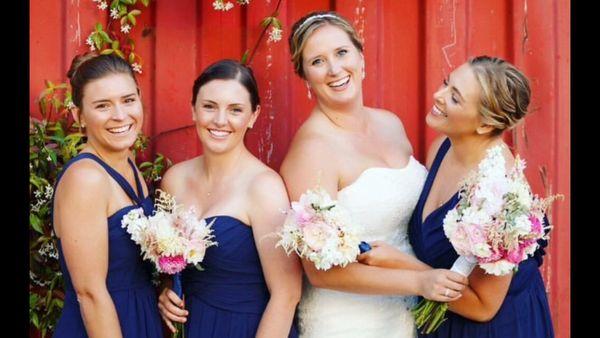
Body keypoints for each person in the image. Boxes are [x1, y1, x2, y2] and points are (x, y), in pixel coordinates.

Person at [280, 11, 468, 338]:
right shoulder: (312, 151)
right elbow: (320, 273)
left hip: (410, 313)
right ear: (305, 77)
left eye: (341, 53)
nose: (335, 69)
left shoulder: (390, 124)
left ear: (360, 57)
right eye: (318, 61)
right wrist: (420, 280)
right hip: (348, 320)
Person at [404, 56, 554, 337]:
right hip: (443, 319)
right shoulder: (443, 146)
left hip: (494, 328)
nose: (438, 96)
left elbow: (484, 307)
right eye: (447, 83)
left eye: (455, 98)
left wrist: (400, 266)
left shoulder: (499, 197)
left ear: (485, 125)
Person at [157, 59, 302, 338]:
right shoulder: (174, 180)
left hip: (248, 329)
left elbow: (287, 294)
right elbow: (169, 266)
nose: (220, 121)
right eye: (209, 106)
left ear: (253, 116)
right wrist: (165, 292)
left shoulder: (264, 187)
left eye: (235, 110)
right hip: (192, 327)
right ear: (193, 109)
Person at [52, 53, 164, 337]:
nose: (120, 115)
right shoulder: (86, 179)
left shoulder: (128, 165)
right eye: (102, 106)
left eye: (128, 100)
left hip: (140, 317)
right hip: (103, 325)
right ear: (79, 116)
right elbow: (90, 293)